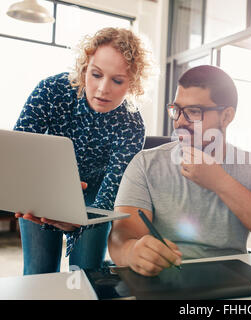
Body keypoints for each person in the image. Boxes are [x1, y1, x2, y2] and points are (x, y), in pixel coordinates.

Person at [14, 27, 152, 275]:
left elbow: (114, 189)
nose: (102, 89)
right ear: (84, 67)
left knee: (87, 273)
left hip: (96, 196)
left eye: (117, 80)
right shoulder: (50, 90)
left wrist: (82, 219)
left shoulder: (132, 125)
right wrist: (32, 191)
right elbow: (20, 149)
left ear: (133, 83)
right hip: (43, 185)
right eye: (96, 74)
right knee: (38, 271)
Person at [109, 65, 251, 276]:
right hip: (163, 277)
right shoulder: (145, 163)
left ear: (227, 116)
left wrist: (219, 181)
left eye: (194, 112)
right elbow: (122, 235)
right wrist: (132, 252)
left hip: (232, 278)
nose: (179, 121)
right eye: (176, 110)